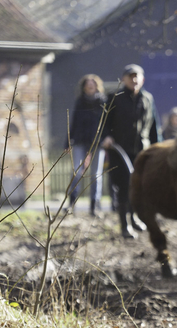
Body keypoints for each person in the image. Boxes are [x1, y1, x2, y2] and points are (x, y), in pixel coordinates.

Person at [102, 64, 160, 238]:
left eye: (137, 77)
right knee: (123, 187)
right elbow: (104, 122)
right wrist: (106, 137)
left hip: (141, 151)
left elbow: (154, 127)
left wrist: (158, 147)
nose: (134, 80)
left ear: (143, 79)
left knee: (139, 188)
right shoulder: (114, 97)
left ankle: (134, 218)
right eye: (130, 77)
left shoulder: (148, 99)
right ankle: (124, 225)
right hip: (119, 150)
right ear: (124, 79)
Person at [66, 74, 107, 216]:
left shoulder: (103, 102)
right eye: (87, 84)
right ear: (84, 87)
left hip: (97, 143)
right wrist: (68, 141)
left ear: (97, 86)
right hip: (80, 141)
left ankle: (94, 206)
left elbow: (107, 124)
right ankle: (71, 204)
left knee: (96, 175)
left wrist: (106, 138)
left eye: (92, 84)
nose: (90, 86)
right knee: (76, 173)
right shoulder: (80, 102)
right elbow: (74, 122)